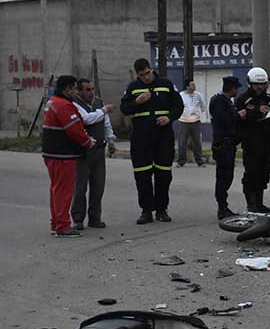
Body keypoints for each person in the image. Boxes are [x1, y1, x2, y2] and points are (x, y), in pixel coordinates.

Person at [120, 58, 183, 225]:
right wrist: (136, 102)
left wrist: (169, 118)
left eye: (147, 73)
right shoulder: (133, 87)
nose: (146, 77)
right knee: (142, 175)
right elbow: (124, 109)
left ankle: (162, 210)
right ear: (137, 74)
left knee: (163, 174)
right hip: (141, 137)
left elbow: (179, 106)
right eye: (142, 75)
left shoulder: (166, 84)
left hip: (163, 136)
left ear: (151, 69)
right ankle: (146, 211)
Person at [41, 75, 96, 238]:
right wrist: (88, 142)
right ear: (67, 89)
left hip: (52, 153)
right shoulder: (63, 105)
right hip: (62, 154)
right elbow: (74, 130)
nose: (75, 92)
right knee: (64, 191)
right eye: (73, 89)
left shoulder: (52, 102)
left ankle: (56, 223)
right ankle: (63, 227)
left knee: (56, 190)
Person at [70, 78, 116, 230]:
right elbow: (86, 119)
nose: (91, 93)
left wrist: (110, 139)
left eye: (92, 90)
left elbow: (106, 121)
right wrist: (103, 111)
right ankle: (77, 219)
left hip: (98, 151)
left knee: (98, 186)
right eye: (87, 90)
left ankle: (95, 218)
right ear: (79, 91)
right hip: (83, 152)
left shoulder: (98, 102)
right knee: (80, 187)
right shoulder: (75, 104)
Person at [235, 67, 270, 213]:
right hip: (251, 143)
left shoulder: (269, 98)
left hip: (267, 142)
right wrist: (255, 111)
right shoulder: (242, 99)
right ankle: (251, 204)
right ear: (250, 83)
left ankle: (260, 203)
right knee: (251, 174)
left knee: (264, 174)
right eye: (256, 84)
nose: (260, 87)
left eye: (263, 84)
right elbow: (238, 118)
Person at [210, 76, 245, 219]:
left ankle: (224, 206)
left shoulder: (226, 101)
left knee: (227, 176)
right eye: (237, 88)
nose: (238, 91)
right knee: (223, 177)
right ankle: (222, 207)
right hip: (223, 144)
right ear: (232, 88)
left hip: (229, 144)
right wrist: (238, 115)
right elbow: (224, 120)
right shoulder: (219, 101)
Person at [177, 78, 207, 167]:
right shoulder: (181, 95)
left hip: (196, 121)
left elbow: (203, 106)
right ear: (187, 86)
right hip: (183, 121)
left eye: (194, 84)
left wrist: (197, 113)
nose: (194, 86)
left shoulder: (198, 95)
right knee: (182, 142)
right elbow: (177, 107)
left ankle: (199, 161)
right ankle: (181, 161)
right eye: (192, 84)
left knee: (197, 142)